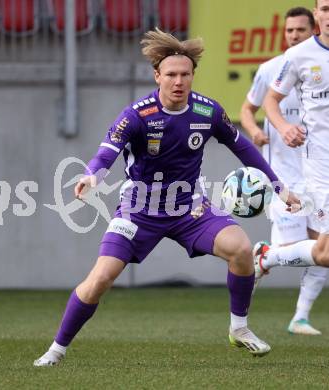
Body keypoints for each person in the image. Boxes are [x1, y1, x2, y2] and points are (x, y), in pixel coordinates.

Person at [34, 28, 299, 366]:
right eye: (171, 74)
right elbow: (106, 154)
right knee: (100, 279)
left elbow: (243, 146)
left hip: (190, 209)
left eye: (185, 74)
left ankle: (239, 328)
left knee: (242, 250)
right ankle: (56, 350)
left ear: (192, 76)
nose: (178, 81)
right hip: (138, 211)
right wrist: (91, 175)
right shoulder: (137, 115)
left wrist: (278, 186)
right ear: (157, 75)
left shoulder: (208, 112)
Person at [240, 7, 326, 335]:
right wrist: (257, 131)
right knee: (304, 253)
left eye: (299, 30)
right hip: (284, 178)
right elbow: (251, 109)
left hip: (315, 172)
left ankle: (300, 316)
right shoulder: (272, 69)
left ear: (311, 28)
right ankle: (266, 256)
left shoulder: (319, 65)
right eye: (289, 31)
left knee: (322, 248)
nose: (293, 36)